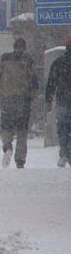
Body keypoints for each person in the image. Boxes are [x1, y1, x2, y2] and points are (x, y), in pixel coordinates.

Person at [0, 37, 39, 169]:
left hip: (7, 100)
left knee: (6, 127)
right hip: (23, 101)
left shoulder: (4, 59)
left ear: (14, 47)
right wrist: (32, 98)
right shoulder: (28, 61)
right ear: (24, 48)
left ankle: (7, 146)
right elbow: (34, 82)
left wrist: (0, 95)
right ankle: (20, 159)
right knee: (22, 131)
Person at [45, 36, 71, 168]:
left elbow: (51, 83)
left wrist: (48, 100)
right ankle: (67, 153)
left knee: (63, 129)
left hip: (63, 101)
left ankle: (64, 153)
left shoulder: (59, 62)